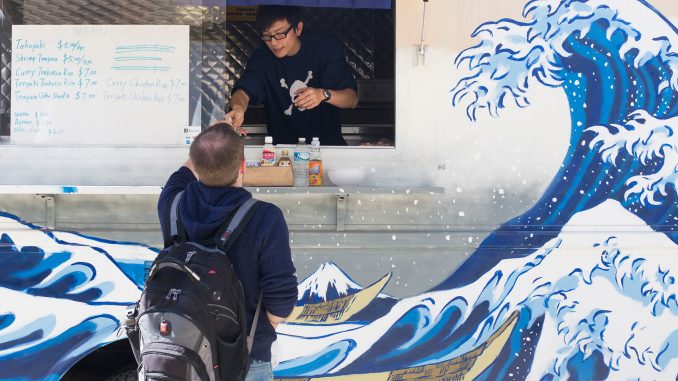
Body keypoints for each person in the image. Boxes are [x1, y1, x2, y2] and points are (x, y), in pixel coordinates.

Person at [157, 122, 298, 381]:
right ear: (243, 167)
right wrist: (258, 335)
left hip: (180, 354)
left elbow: (183, 172)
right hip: (244, 360)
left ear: (197, 165)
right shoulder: (265, 217)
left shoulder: (172, 203)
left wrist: (211, 136)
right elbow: (282, 299)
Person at [226, 5, 359, 146]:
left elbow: (352, 99)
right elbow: (244, 91)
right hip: (282, 154)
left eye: (279, 34)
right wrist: (238, 109)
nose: (274, 43)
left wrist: (323, 95)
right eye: (267, 36)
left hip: (328, 150)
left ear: (298, 28)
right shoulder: (262, 58)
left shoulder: (324, 48)